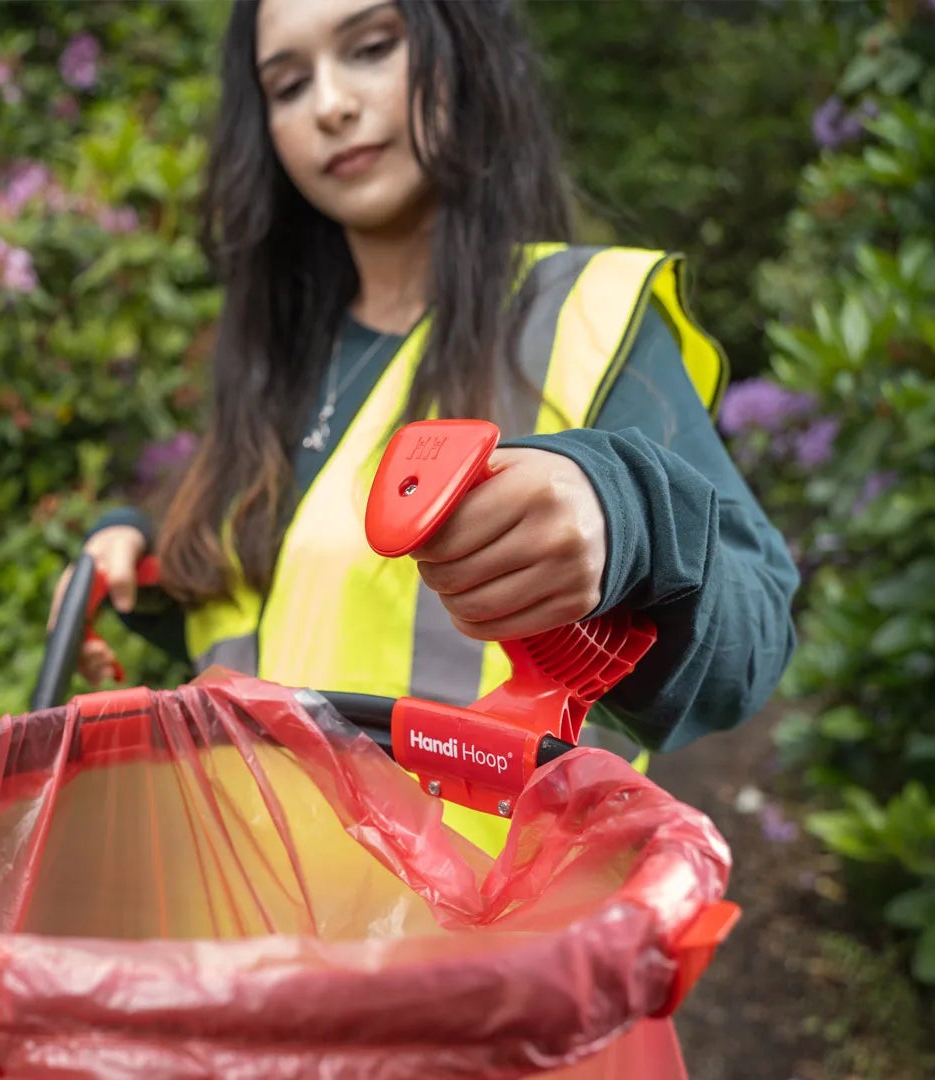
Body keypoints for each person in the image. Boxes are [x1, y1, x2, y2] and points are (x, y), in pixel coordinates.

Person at [56, 0, 799, 851]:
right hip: (254, 935)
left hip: (479, 952)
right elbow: (275, 608)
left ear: (464, 55)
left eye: (371, 48)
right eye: (288, 83)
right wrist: (129, 558)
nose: (331, 103)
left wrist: (622, 513)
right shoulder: (282, 362)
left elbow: (749, 643)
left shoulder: (580, 319)